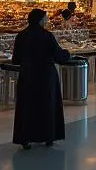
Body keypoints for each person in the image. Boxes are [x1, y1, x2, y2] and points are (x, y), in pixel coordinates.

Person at [11, 9, 73, 150]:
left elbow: (16, 60)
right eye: (45, 18)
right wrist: (68, 54)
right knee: (47, 106)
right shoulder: (47, 36)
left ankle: (25, 139)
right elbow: (59, 56)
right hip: (46, 77)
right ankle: (48, 136)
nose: (47, 21)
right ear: (40, 20)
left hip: (27, 76)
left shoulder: (21, 36)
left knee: (27, 106)